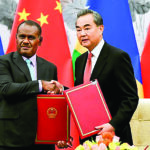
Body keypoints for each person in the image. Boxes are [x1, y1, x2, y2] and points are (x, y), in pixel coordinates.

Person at [74, 9, 139, 145]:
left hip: (114, 137)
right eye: (78, 30)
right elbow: (81, 95)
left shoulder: (118, 57)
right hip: (88, 138)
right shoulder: (80, 61)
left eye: (87, 28)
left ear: (100, 28)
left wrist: (112, 125)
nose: (82, 34)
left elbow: (130, 98)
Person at [0, 20, 63, 150]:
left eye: (31, 38)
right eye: (22, 36)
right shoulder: (3, 62)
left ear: (40, 41)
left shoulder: (50, 67)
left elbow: (53, 103)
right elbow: (6, 89)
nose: (26, 41)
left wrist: (60, 134)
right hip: (12, 140)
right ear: (16, 38)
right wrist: (41, 84)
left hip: (43, 141)